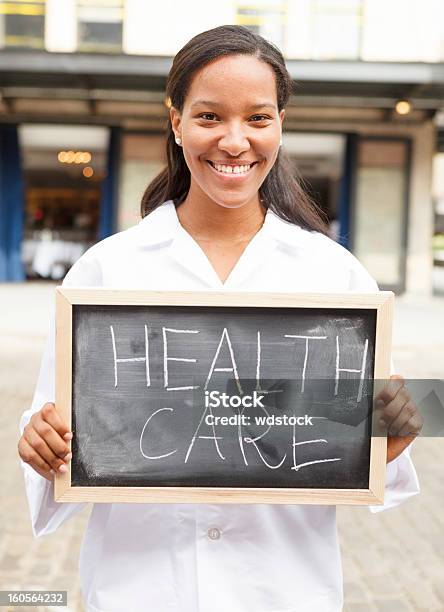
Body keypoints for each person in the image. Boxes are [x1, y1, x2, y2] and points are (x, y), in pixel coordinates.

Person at [18, 25, 422, 612]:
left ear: (281, 124)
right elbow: (55, 426)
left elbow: (358, 451)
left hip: (284, 589)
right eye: (209, 116)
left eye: (258, 118)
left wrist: (395, 436)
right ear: (176, 121)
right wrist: (41, 440)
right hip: (140, 588)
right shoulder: (106, 270)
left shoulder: (335, 277)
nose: (235, 142)